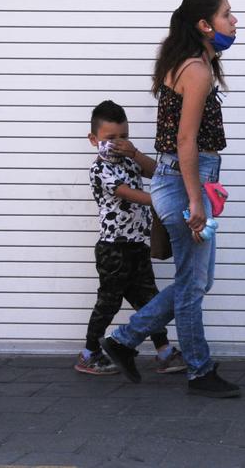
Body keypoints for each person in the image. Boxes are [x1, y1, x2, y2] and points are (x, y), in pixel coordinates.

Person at [100, 0, 240, 398]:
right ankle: (199, 371)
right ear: (203, 24)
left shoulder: (187, 63)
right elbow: (184, 141)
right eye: (227, 15)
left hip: (179, 178)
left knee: (197, 281)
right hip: (183, 181)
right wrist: (196, 201)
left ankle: (124, 340)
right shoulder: (195, 69)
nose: (234, 22)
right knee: (193, 283)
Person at [76, 100, 185, 376]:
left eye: (123, 136)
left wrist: (134, 153)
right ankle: (89, 353)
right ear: (93, 140)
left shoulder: (128, 159)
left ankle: (164, 353)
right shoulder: (99, 169)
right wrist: (162, 202)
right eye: (110, 138)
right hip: (113, 248)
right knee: (109, 302)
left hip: (137, 245)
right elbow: (126, 192)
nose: (117, 143)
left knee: (150, 301)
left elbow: (156, 173)